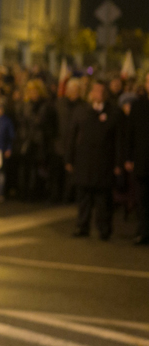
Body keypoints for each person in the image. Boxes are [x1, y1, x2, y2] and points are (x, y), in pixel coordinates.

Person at [66, 81, 123, 240]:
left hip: (104, 162)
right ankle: (82, 226)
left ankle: (104, 229)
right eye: (96, 91)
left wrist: (118, 163)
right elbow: (72, 136)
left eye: (101, 91)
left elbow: (119, 140)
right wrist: (69, 159)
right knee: (83, 197)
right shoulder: (82, 111)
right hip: (84, 161)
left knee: (103, 199)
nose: (98, 94)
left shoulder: (114, 113)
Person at [125, 72, 149, 245]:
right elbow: (130, 134)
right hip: (143, 161)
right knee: (143, 200)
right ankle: (144, 231)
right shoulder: (138, 105)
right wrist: (128, 158)